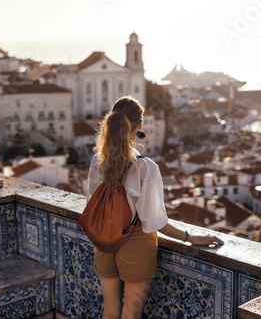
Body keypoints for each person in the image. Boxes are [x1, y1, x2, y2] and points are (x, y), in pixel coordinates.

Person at [87, 96, 223, 319]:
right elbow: (153, 221)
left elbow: (92, 204)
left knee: (110, 310)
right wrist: (191, 237)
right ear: (139, 125)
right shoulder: (145, 167)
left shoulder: (97, 162)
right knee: (132, 313)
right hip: (136, 242)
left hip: (104, 240)